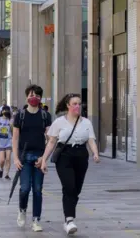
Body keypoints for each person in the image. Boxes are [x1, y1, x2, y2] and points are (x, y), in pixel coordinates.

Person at [40, 93, 100, 235]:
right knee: (69, 186)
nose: (77, 106)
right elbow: (52, 142)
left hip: (81, 156)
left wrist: (95, 153)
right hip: (65, 156)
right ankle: (69, 219)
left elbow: (91, 140)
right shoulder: (59, 122)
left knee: (76, 189)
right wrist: (44, 160)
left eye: (79, 104)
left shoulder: (86, 122)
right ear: (68, 105)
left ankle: (69, 216)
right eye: (74, 104)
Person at [12, 85, 51, 232]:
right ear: (26, 97)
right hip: (24, 157)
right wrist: (15, 158)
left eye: (36, 95)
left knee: (37, 190)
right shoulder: (20, 116)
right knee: (24, 188)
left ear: (40, 98)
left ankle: (36, 219)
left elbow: (49, 139)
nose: (33, 97)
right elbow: (15, 139)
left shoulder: (45, 116)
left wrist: (44, 158)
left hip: (39, 158)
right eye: (31, 94)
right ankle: (22, 210)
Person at [0, 105, 12, 179]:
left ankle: (7, 174)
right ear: (2, 111)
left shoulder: (11, 120)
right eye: (5, 111)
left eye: (8, 111)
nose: (6, 112)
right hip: (0, 142)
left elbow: (13, 131)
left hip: (8, 141)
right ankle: (1, 169)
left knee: (8, 158)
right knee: (2, 160)